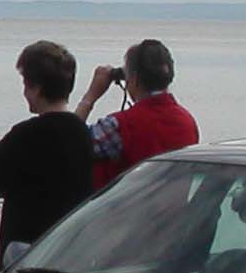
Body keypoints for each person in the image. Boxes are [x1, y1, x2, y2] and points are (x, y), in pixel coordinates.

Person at [0, 41, 94, 266]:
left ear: (36, 88)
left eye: (25, 84)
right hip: (69, 251)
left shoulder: (25, 135)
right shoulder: (82, 133)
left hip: (26, 253)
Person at [78, 37, 199, 192]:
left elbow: (67, 143)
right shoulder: (188, 122)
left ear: (134, 79)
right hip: (174, 206)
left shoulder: (119, 126)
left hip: (126, 206)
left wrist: (90, 97)